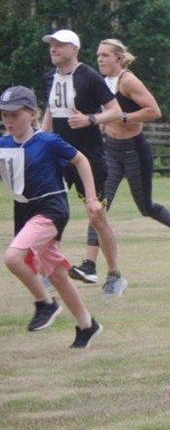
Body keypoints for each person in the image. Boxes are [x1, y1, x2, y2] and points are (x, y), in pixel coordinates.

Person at [0, 86, 104, 348]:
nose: (9, 120)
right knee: (57, 275)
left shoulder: (47, 141)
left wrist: (91, 198)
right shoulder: (4, 144)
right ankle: (87, 325)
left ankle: (45, 304)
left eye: (15, 114)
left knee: (12, 258)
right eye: (4, 115)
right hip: (24, 211)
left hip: (50, 208)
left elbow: (81, 160)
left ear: (32, 113)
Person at [40, 29, 126, 296]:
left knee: (97, 216)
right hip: (59, 158)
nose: (53, 48)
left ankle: (114, 275)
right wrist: (40, 142)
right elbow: (50, 111)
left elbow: (116, 112)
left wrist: (90, 119)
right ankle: (51, 269)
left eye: (59, 44)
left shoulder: (89, 77)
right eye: (51, 45)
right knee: (49, 212)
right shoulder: (49, 78)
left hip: (89, 159)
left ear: (74, 49)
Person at [96, 38, 170, 256]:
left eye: (105, 55)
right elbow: (104, 115)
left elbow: (154, 111)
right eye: (98, 55)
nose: (100, 59)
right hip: (111, 150)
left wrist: (123, 117)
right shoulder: (102, 82)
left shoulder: (128, 81)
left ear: (118, 58)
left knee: (145, 207)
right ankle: (89, 264)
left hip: (134, 151)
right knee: (99, 208)